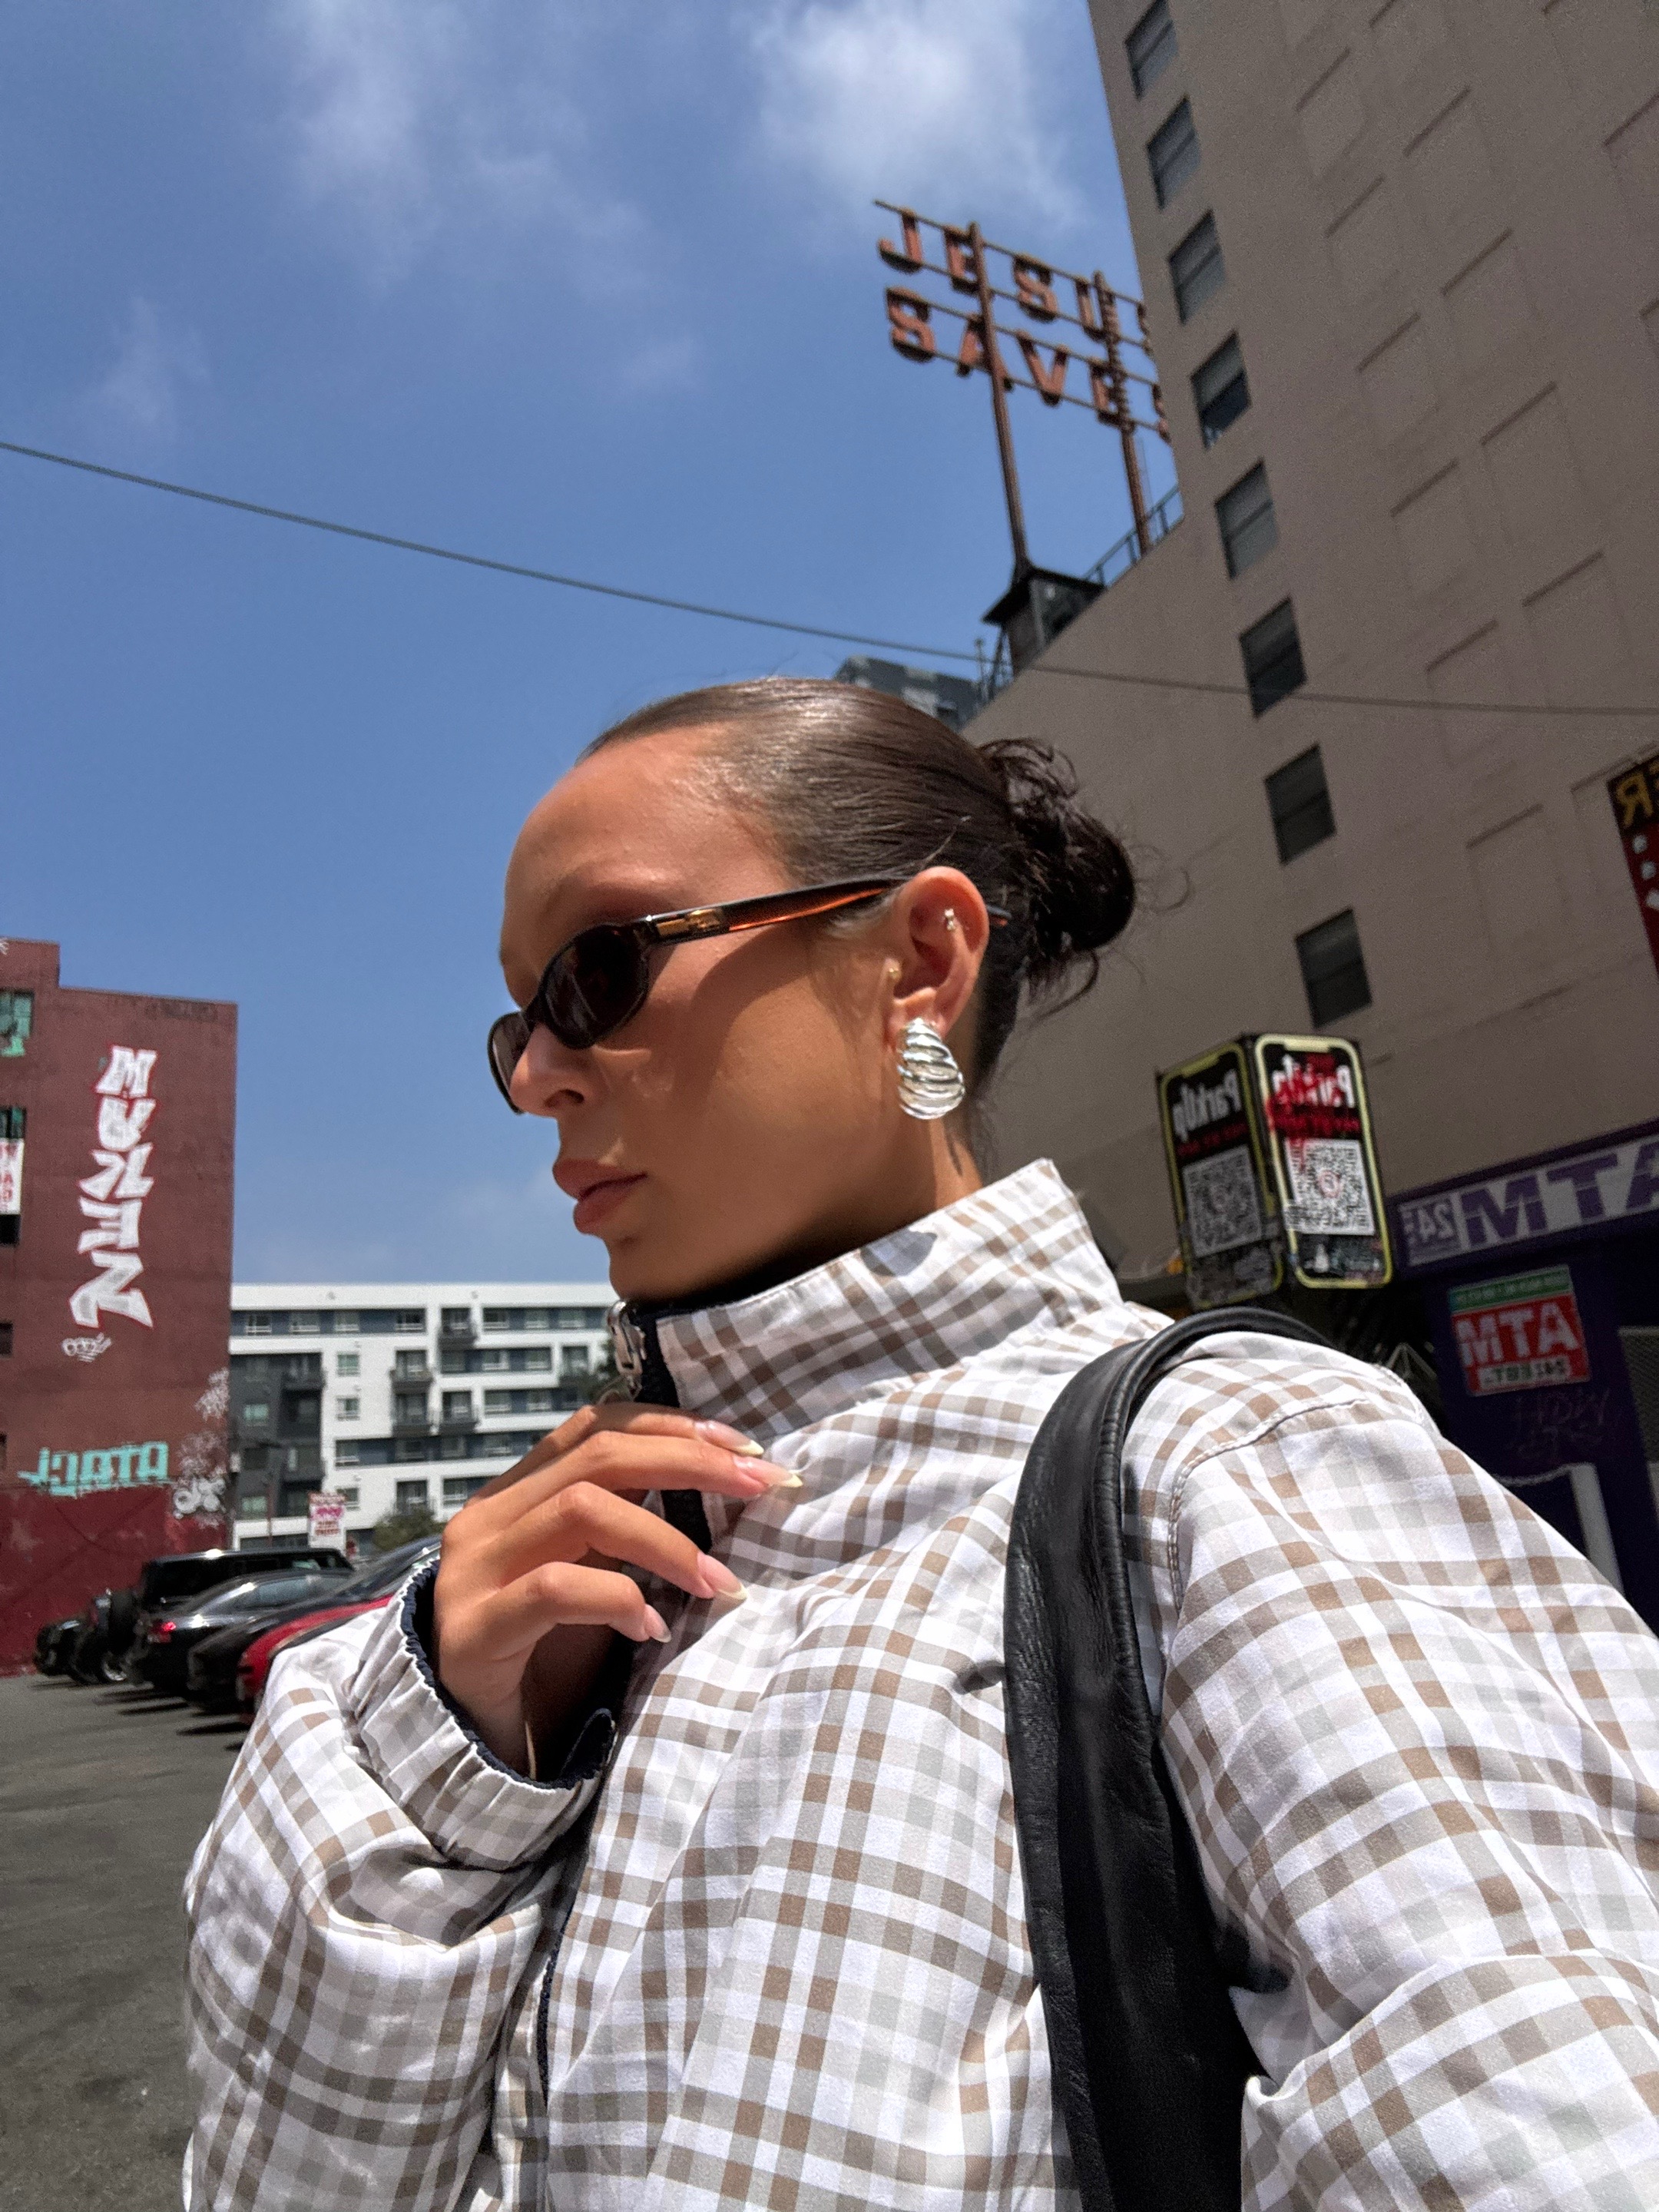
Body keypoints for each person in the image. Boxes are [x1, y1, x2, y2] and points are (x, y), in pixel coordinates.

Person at [185, 679, 1659, 2211]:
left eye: (600, 971)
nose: (534, 1077)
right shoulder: (558, 1566)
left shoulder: (1227, 1463)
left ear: (919, 962)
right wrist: (449, 1753)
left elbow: (1543, 2113)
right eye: (516, 1024)